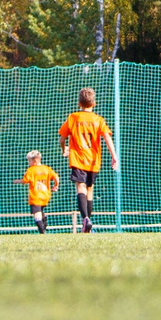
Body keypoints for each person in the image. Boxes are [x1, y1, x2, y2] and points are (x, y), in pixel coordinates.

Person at [60, 88, 116, 234]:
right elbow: (107, 137)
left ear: (79, 103)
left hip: (78, 159)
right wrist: (114, 156)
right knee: (90, 189)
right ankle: (88, 224)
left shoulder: (73, 117)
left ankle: (85, 219)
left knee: (80, 187)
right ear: (94, 103)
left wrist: (63, 148)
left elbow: (62, 138)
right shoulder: (98, 120)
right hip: (94, 160)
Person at [20, 149, 60, 233]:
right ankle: (44, 221)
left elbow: (25, 180)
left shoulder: (31, 170)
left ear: (34, 160)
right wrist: (56, 185)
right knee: (40, 211)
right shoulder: (47, 168)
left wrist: (17, 181)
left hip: (35, 196)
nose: (28, 162)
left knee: (36, 214)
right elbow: (56, 177)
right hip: (45, 195)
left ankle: (42, 231)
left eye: (29, 160)